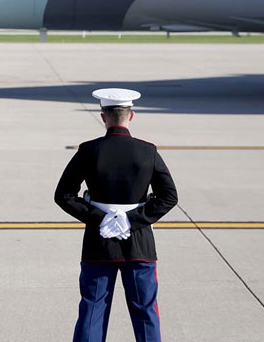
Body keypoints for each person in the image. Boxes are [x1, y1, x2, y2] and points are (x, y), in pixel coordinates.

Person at [54, 88, 178, 342]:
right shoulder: (148, 151)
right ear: (131, 116)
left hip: (99, 243)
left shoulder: (88, 151)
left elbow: (63, 195)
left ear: (104, 117)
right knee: (145, 311)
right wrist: (131, 220)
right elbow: (169, 197)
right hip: (139, 242)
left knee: (92, 309)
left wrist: (101, 218)